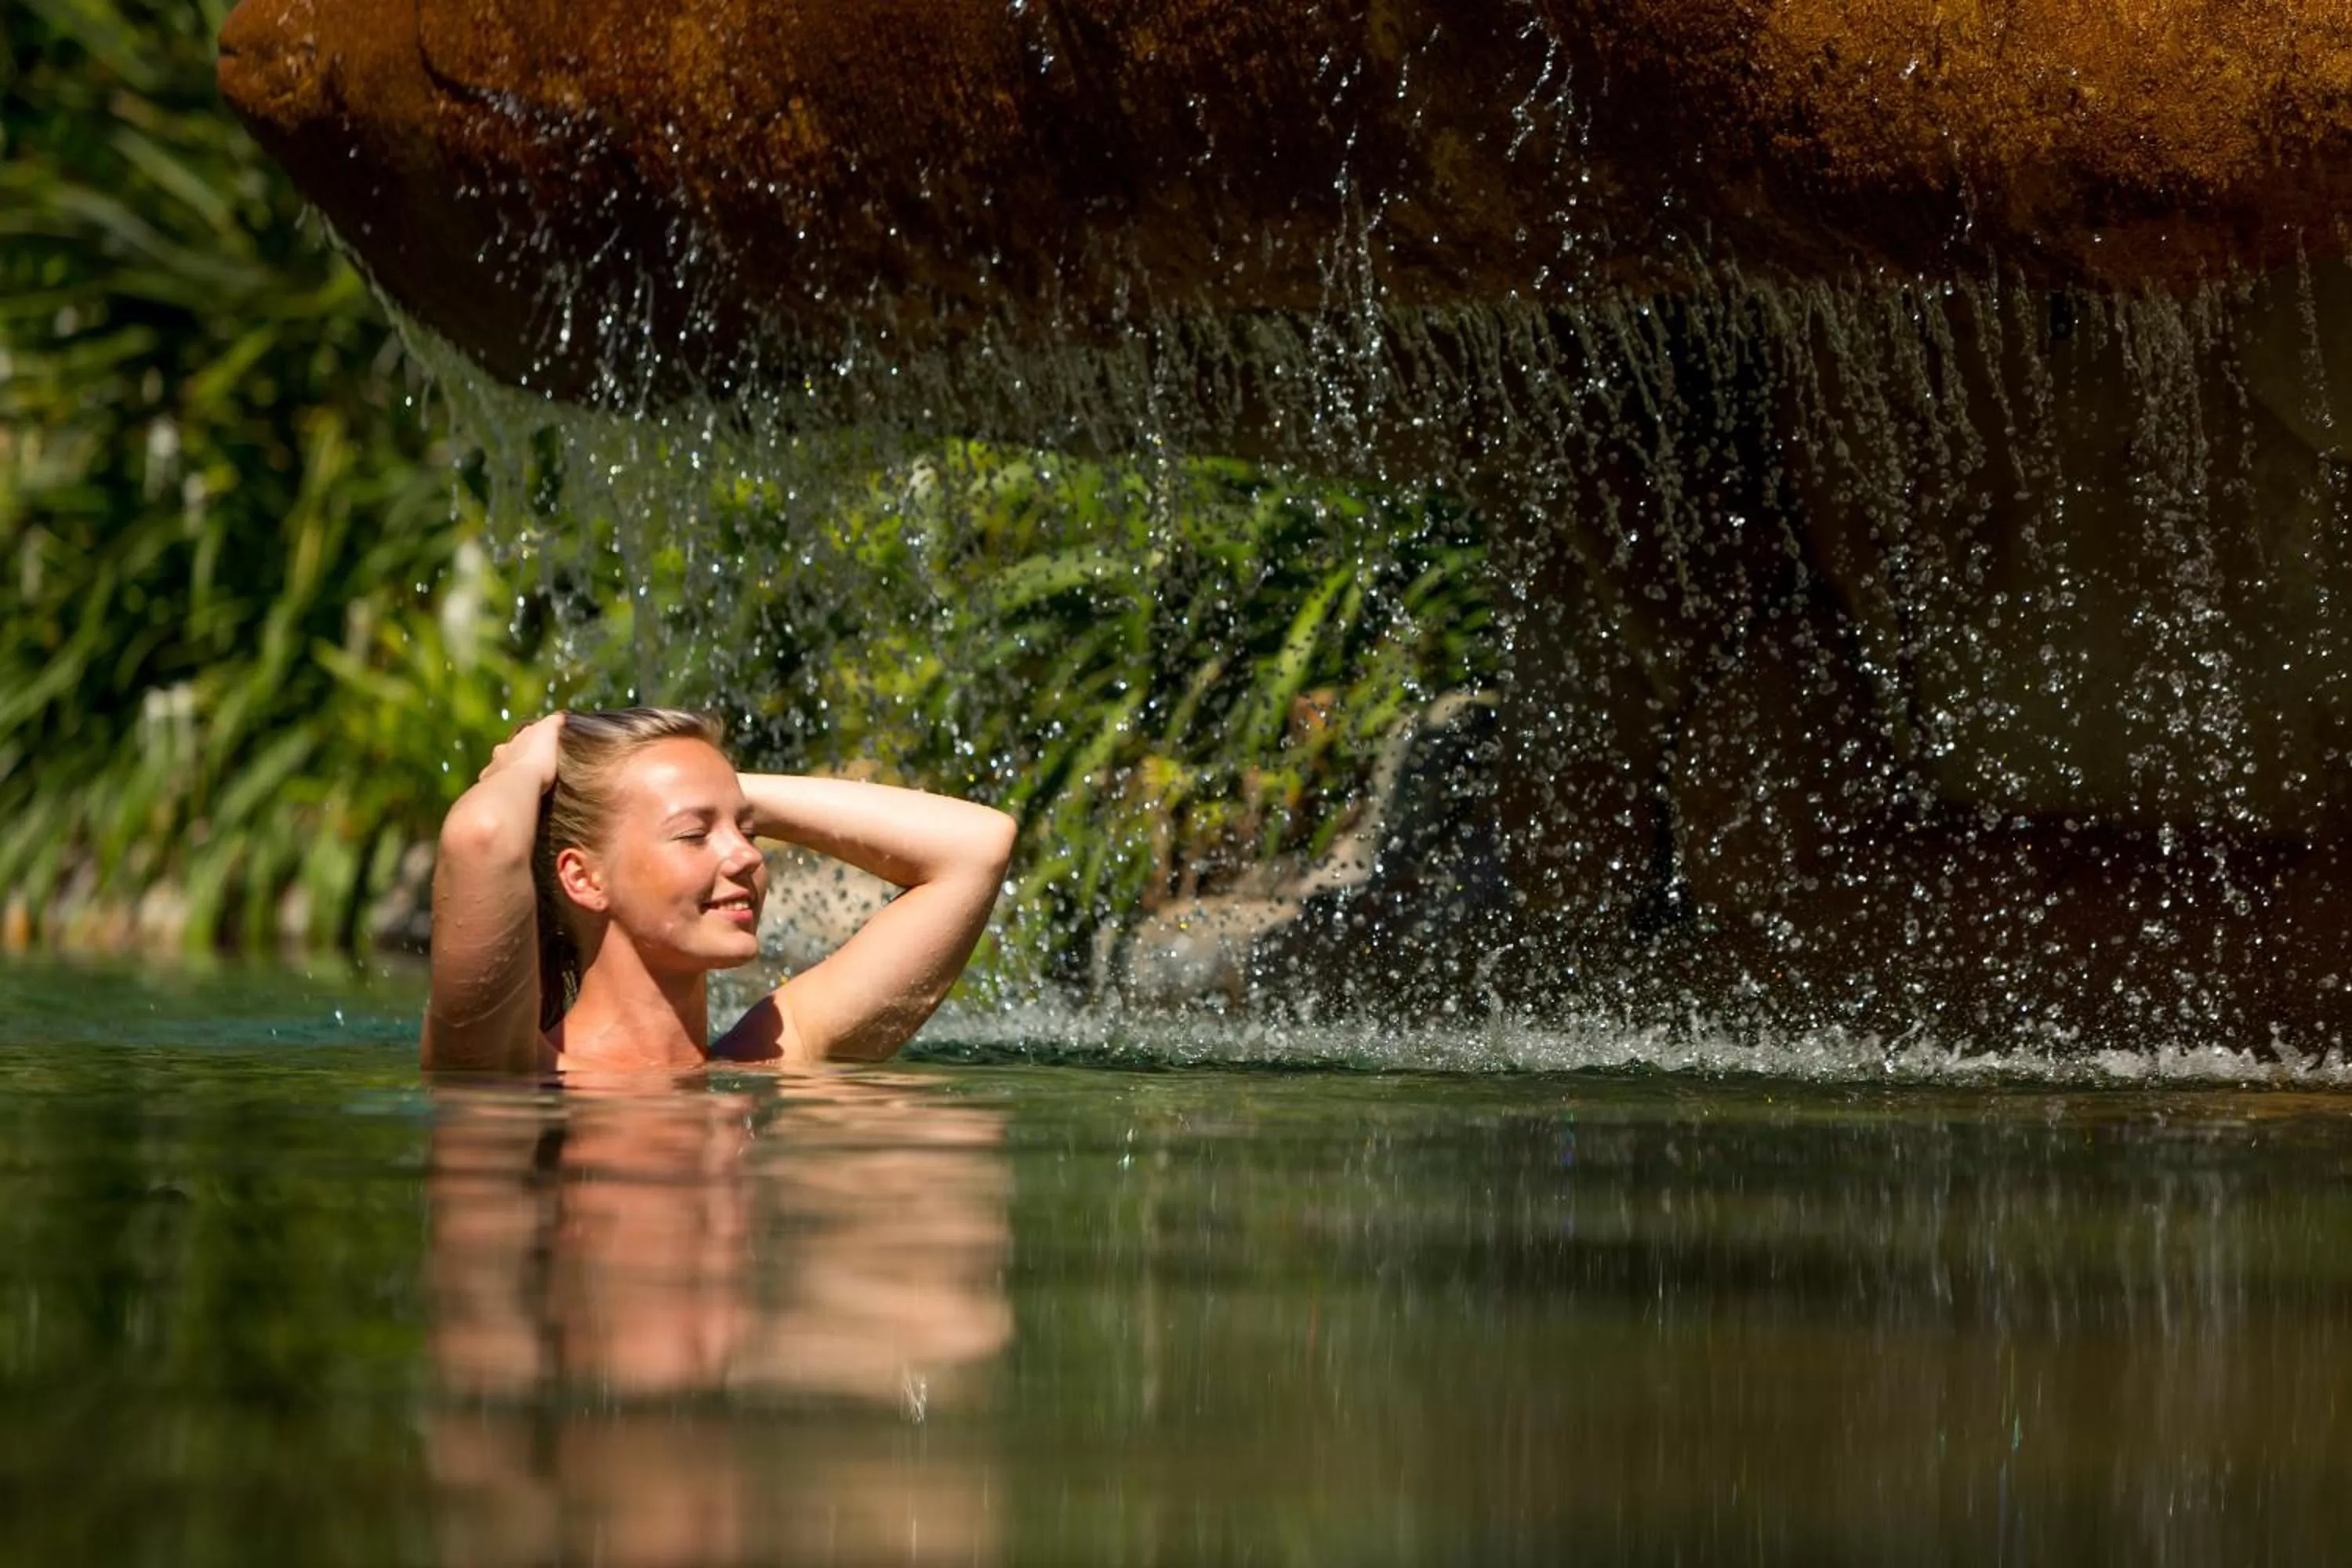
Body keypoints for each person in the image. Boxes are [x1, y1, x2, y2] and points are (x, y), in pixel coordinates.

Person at [420, 709, 1018, 1073]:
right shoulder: (514, 1068)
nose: (749, 855)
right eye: (694, 834)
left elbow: (976, 847)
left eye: (747, 830)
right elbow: (482, 836)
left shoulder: (771, 1056)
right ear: (584, 878)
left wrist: (711, 788)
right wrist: (523, 770)